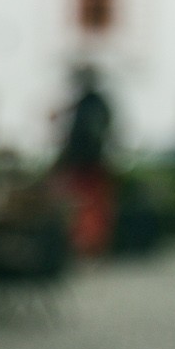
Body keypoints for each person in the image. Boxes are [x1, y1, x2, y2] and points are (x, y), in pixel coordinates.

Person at [54, 64, 114, 257]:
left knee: (88, 206)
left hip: (87, 163)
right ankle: (84, 244)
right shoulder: (90, 104)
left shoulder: (91, 105)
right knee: (82, 206)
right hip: (85, 163)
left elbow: (90, 135)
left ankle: (89, 244)